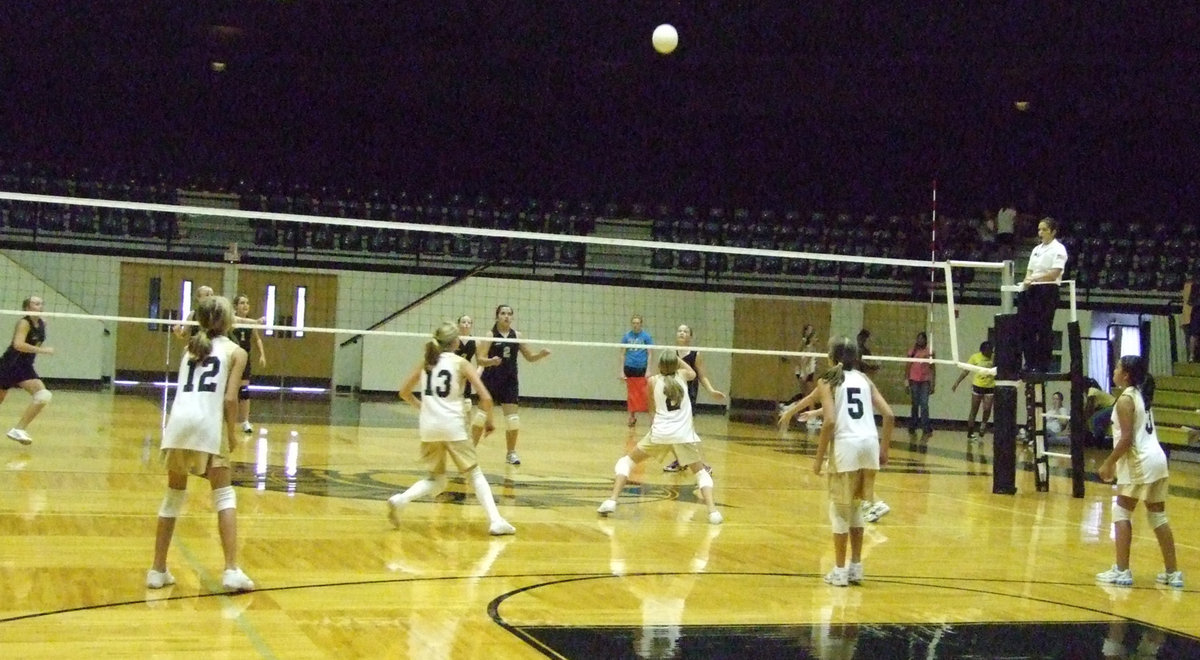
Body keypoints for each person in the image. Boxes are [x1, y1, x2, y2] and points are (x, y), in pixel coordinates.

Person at [147, 295, 254, 592]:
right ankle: (231, 569)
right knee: (224, 496)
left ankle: (157, 570)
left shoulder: (190, 348)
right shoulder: (236, 351)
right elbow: (231, 399)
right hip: (208, 425)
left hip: (178, 425)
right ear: (228, 320)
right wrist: (232, 434)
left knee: (173, 496)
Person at [391, 322, 516, 536]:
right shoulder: (461, 363)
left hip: (429, 427)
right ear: (456, 342)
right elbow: (485, 397)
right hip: (453, 426)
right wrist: (489, 421)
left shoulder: (427, 362)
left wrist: (423, 408)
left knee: (436, 479)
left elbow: (404, 392)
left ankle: (401, 499)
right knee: (475, 474)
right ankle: (496, 520)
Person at [598, 351, 722, 525]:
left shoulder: (652, 381)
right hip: (683, 435)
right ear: (676, 365)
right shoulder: (683, 375)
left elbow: (651, 408)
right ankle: (713, 512)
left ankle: (611, 501)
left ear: (660, 366)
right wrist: (677, 358)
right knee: (701, 473)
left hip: (660, 433)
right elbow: (693, 372)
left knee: (625, 462)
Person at [812, 336, 894, 586]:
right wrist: (884, 449)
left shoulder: (828, 381)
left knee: (839, 512)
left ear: (831, 357)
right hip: (869, 444)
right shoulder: (865, 379)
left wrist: (818, 460)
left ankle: (839, 571)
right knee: (857, 508)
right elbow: (889, 415)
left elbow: (830, 422)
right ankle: (856, 567)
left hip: (846, 447)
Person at [1095, 355, 1182, 588]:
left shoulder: (1125, 400)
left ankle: (1122, 571)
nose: (1114, 370)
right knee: (1157, 516)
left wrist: (1109, 462)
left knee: (1121, 512)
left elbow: (1126, 439)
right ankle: (1173, 573)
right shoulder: (1140, 395)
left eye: (1117, 368)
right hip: (1158, 460)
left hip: (1141, 461)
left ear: (1126, 375)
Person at [473, 305, 550, 465]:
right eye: (503, 313)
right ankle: (470, 451)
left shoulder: (517, 335)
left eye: (509, 314)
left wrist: (541, 354)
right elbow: (480, 359)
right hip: (491, 379)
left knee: (513, 419)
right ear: (497, 317)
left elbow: (530, 357)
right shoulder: (490, 335)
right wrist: (491, 361)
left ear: (512, 317)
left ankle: (511, 453)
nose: (506, 316)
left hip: (509, 381)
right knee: (481, 417)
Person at [663, 324, 724, 473]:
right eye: (680, 331)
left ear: (690, 336)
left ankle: (702, 464)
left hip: (688, 395)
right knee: (673, 431)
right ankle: (681, 460)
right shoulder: (670, 353)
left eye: (685, 331)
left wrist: (711, 390)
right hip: (672, 394)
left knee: (685, 431)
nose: (682, 333)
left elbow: (702, 376)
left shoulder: (696, 354)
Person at [1, 296, 55, 445]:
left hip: (25, 367)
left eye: (41, 303)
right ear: (27, 308)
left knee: (43, 395)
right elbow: (18, 345)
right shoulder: (24, 323)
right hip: (10, 365)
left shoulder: (42, 322)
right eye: (36, 303)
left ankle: (18, 429)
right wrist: (42, 350)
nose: (40, 305)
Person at [1019, 217, 1067, 372]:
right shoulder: (1036, 249)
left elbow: (1054, 273)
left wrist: (1034, 278)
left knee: (1044, 328)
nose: (1040, 233)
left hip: (1048, 290)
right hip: (1033, 290)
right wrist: (1027, 280)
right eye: (1039, 229)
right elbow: (1030, 271)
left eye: (1044, 229)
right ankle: (1030, 363)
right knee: (1028, 328)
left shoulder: (1059, 249)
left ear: (1053, 232)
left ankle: (1043, 365)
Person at [231, 294, 267, 434]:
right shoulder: (231, 320)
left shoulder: (250, 323)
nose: (245, 305)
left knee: (244, 391)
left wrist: (262, 355)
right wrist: (257, 321)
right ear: (235, 306)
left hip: (245, 359)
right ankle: (229, 420)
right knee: (230, 391)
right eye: (242, 303)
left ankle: (245, 421)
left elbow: (257, 339)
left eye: (247, 303)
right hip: (232, 359)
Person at [951, 341, 995, 443]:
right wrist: (957, 383)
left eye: (990, 350)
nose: (989, 352)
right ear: (982, 350)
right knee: (974, 409)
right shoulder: (975, 357)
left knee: (987, 408)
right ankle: (970, 432)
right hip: (977, 386)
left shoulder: (994, 358)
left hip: (990, 386)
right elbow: (966, 371)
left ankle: (983, 425)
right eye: (987, 350)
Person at [619, 315, 653, 428]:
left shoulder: (646, 337)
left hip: (642, 368)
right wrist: (621, 371)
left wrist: (648, 370)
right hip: (629, 367)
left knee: (645, 393)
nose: (635, 325)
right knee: (631, 394)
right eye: (633, 322)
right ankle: (632, 417)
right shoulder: (627, 337)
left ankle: (651, 418)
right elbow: (622, 354)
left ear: (641, 324)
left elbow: (650, 354)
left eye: (637, 323)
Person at [905, 331, 935, 441]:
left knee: (924, 404)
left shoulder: (929, 352)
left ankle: (926, 428)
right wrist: (906, 382)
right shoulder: (912, 351)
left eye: (922, 339)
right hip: (914, 380)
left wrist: (933, 383)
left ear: (925, 340)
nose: (920, 341)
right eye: (918, 338)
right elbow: (907, 366)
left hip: (925, 381)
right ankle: (913, 425)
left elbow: (933, 368)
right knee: (915, 404)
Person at [781, 324, 818, 407]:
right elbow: (803, 361)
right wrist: (803, 374)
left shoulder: (810, 347)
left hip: (806, 373)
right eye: (815, 337)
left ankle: (788, 407)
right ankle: (789, 407)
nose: (817, 339)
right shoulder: (808, 347)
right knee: (810, 396)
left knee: (807, 396)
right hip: (806, 373)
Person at [1084, 377, 1118, 449]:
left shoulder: (1091, 390)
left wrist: (1084, 419)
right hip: (1112, 407)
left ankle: (1098, 442)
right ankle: (1101, 441)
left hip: (1114, 407)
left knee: (1096, 419)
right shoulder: (1094, 391)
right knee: (1095, 419)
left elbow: (1089, 408)